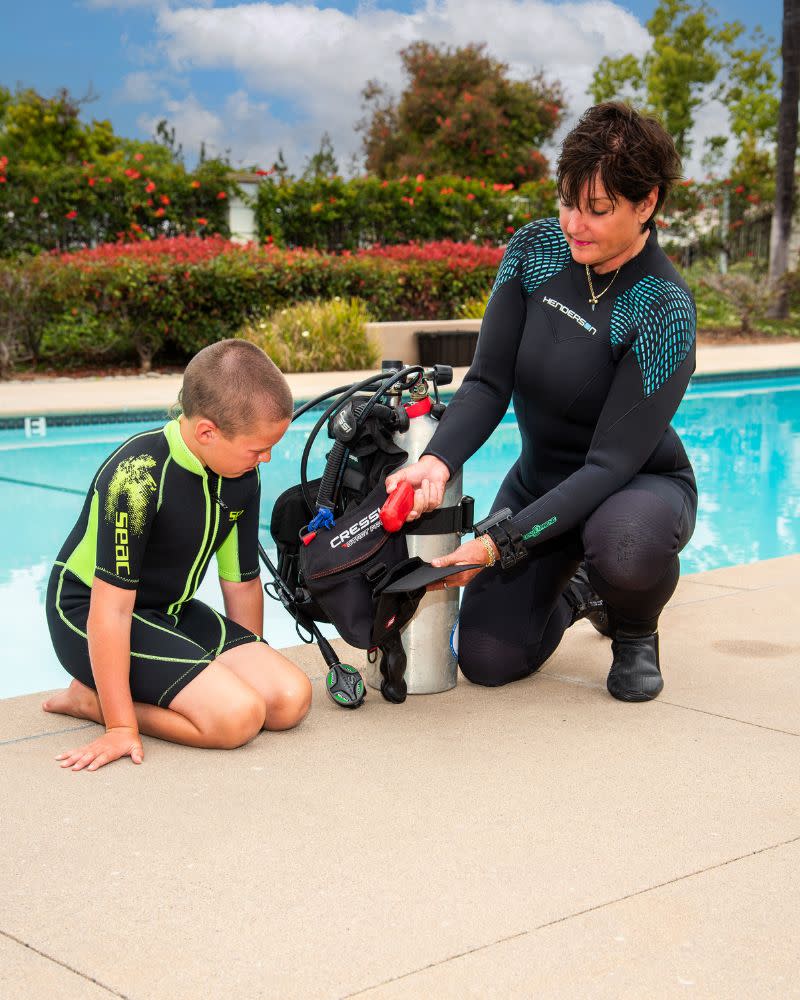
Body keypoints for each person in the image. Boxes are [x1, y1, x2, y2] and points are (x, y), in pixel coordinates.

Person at [387, 102, 698, 702]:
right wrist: (437, 460)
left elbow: (608, 465)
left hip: (632, 487)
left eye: (597, 209)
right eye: (566, 202)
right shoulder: (536, 249)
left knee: (625, 547)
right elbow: (486, 383)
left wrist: (497, 544)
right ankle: (584, 591)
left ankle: (635, 623)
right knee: (488, 660)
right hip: (541, 485)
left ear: (647, 204)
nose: (575, 223)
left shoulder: (664, 307)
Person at [43, 339, 312, 770]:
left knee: (288, 700)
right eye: (257, 449)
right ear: (207, 432)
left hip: (170, 611)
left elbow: (242, 582)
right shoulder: (137, 477)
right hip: (90, 614)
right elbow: (110, 611)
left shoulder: (242, 474)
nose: (266, 458)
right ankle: (91, 702)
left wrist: (247, 666)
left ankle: (213, 696)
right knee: (236, 720)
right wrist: (120, 726)